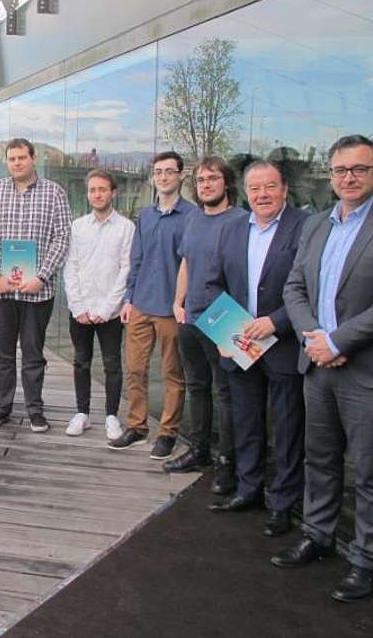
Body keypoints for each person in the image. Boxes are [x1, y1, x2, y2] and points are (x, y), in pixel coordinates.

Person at [274, 135, 373, 603]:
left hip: (369, 370)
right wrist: (314, 338)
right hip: (317, 363)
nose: (348, 177)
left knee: (370, 472)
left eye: (359, 170)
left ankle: (366, 559)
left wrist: (339, 340)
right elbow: (294, 287)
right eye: (341, 169)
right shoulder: (318, 224)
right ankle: (318, 535)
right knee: (319, 459)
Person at [208, 161, 308, 537]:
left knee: (286, 428)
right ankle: (249, 490)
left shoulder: (305, 226)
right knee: (247, 423)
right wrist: (226, 335)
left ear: (284, 189)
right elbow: (213, 283)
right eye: (255, 188)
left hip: (281, 345)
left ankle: (282, 504)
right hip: (240, 344)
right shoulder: (232, 227)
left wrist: (278, 322)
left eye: (269, 187)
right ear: (245, 192)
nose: (262, 195)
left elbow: (310, 286)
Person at [0, 138, 72, 432]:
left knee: (33, 354)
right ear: (7, 162)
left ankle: (34, 410)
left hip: (37, 292)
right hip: (0, 290)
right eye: (11, 158)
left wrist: (41, 275)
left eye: (21, 158)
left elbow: (62, 238)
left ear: (34, 159)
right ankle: (2, 407)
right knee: (2, 353)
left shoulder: (54, 193)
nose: (16, 163)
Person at [163, 156, 245, 495]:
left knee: (227, 393)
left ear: (226, 182)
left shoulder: (241, 221)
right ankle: (199, 451)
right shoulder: (194, 219)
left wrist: (237, 331)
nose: (206, 184)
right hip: (191, 317)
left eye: (213, 178)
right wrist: (177, 302)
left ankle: (228, 463)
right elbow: (186, 262)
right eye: (200, 180)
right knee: (197, 385)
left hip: (225, 318)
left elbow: (245, 277)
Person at [111, 151, 193, 458]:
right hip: (142, 304)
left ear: (181, 176)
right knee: (135, 369)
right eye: (158, 172)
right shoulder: (145, 215)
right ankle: (137, 426)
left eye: (170, 171)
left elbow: (190, 263)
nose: (163, 177)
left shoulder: (191, 216)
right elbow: (137, 259)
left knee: (173, 373)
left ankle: (168, 433)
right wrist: (129, 298)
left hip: (172, 308)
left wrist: (182, 302)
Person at [63, 169, 134, 438]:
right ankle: (82, 413)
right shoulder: (77, 226)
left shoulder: (126, 228)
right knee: (81, 362)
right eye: (92, 190)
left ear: (112, 193)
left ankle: (111, 416)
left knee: (112, 364)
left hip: (110, 313)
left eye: (102, 189)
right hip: (80, 310)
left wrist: (106, 309)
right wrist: (78, 306)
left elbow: (126, 271)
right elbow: (70, 267)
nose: (97, 194)